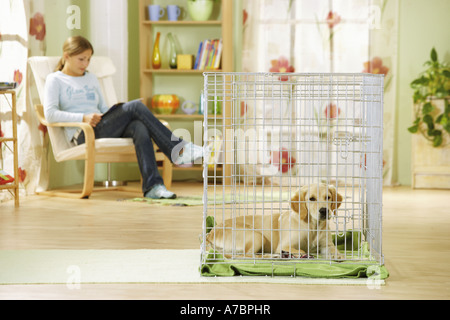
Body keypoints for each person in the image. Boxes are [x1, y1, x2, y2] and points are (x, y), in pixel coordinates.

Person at [44, 36, 203, 199]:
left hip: (102, 125)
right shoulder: (55, 80)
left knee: (139, 127)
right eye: (81, 59)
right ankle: (178, 149)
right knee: (135, 106)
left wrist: (115, 113)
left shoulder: (90, 78)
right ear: (66, 56)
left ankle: (153, 187)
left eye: (88, 59)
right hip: (84, 133)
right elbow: (50, 114)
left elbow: (103, 109)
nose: (85, 64)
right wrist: (83, 117)